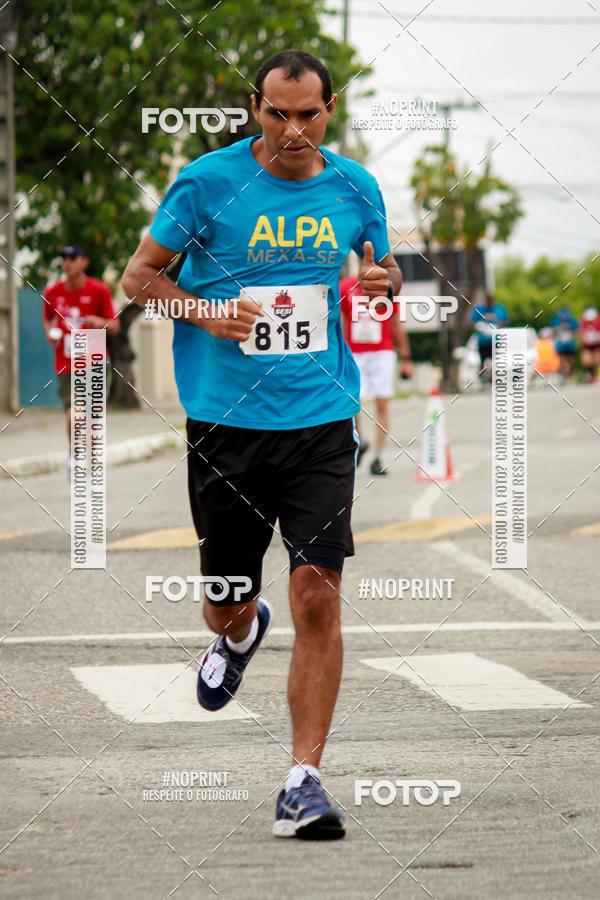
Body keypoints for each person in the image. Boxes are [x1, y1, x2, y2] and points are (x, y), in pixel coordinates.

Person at [122, 49, 402, 840]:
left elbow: (376, 283)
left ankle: (303, 782)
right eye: (276, 113)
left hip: (319, 420)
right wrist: (203, 312)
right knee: (224, 600)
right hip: (225, 426)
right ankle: (241, 631)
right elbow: (140, 278)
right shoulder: (207, 183)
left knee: (319, 592)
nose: (291, 129)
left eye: (306, 114)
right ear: (255, 108)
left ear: (329, 110)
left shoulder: (356, 188)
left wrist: (382, 286)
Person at [43, 246, 119, 475]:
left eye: (72, 258)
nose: (67, 263)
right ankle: (74, 454)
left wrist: (98, 322)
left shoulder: (99, 290)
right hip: (67, 359)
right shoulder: (53, 292)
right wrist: (50, 334)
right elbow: (47, 319)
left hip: (94, 356)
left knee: (93, 416)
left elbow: (114, 326)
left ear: (84, 262)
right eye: (64, 259)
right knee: (74, 412)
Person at [339, 273, 412, 475]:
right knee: (353, 401)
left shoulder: (387, 287)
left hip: (382, 352)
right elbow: (341, 323)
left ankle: (378, 456)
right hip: (355, 352)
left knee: (382, 403)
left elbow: (397, 323)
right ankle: (360, 440)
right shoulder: (345, 286)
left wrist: (406, 358)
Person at [470, 293, 508, 383]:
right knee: (483, 361)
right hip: (482, 341)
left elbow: (506, 321)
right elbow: (471, 323)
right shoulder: (479, 309)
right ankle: (482, 378)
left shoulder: (499, 309)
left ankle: (493, 380)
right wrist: (479, 326)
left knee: (495, 361)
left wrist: (497, 325)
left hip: (495, 340)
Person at [550, 305, 578, 383]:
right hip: (560, 344)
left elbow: (576, 330)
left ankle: (569, 375)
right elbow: (553, 330)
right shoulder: (556, 319)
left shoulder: (572, 320)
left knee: (570, 360)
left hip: (570, 344)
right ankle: (563, 376)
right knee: (561, 360)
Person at [580, 307, 600, 383]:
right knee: (587, 361)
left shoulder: (598, 321)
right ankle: (590, 373)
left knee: (597, 360)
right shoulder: (584, 322)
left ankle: (596, 374)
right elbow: (581, 333)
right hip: (587, 345)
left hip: (597, 344)